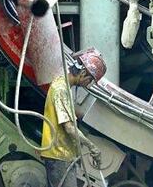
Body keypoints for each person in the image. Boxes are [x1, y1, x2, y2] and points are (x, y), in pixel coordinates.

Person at [41, 47, 107, 187]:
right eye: (90, 80)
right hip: (58, 154)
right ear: (83, 73)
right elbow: (69, 128)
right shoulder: (61, 89)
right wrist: (92, 147)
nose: (88, 85)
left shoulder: (63, 86)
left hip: (62, 155)